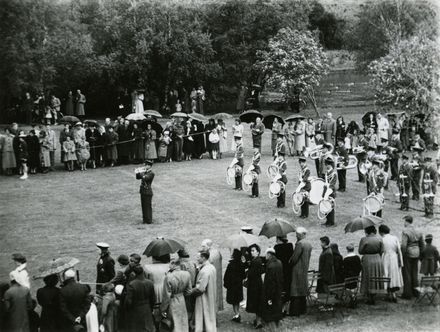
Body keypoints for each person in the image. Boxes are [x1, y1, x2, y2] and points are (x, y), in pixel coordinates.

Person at [161, 258, 192, 332]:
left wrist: (163, 309)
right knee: (182, 321)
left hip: (173, 300)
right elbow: (189, 291)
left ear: (173, 263)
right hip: (182, 300)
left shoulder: (169, 276)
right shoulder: (186, 274)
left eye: (170, 264)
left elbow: (166, 295)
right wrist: (182, 294)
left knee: (174, 322)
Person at [191, 251, 217, 332]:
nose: (197, 259)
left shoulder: (204, 271)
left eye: (198, 257)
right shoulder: (212, 267)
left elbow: (200, 288)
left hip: (203, 298)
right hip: (211, 295)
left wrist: (190, 291)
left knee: (203, 316)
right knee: (209, 315)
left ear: (203, 258)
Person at [289, 227, 312, 317]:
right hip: (304, 268)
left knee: (295, 291)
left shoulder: (299, 244)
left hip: (297, 269)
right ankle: (303, 309)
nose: (296, 236)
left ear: (300, 235)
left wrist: (290, 262)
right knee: (302, 289)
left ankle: (295, 311)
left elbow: (294, 258)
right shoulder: (308, 244)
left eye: (297, 235)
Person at [124, 264, 155, 332]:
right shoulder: (150, 283)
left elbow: (129, 301)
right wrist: (151, 308)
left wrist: (128, 309)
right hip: (147, 308)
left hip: (136, 309)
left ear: (134, 273)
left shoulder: (132, 284)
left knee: (137, 328)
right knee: (148, 327)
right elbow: (153, 298)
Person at [359, 226, 384, 305]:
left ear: (367, 231)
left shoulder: (364, 239)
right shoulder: (379, 239)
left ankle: (368, 294)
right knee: (376, 275)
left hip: (367, 259)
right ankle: (374, 293)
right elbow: (382, 250)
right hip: (377, 258)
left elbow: (360, 251)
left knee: (367, 276)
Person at [400, 215, 424, 299]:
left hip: (408, 253)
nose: (404, 223)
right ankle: (416, 292)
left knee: (406, 273)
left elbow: (403, 245)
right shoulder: (418, 230)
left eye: (404, 221)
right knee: (414, 272)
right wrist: (421, 254)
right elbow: (422, 244)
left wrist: (402, 255)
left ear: (406, 221)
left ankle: (407, 293)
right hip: (416, 253)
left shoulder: (405, 231)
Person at [144, 254, 170, 328]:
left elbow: (146, 280)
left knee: (154, 308)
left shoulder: (147, 267)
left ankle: (156, 324)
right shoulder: (167, 266)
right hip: (165, 288)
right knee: (165, 305)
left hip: (154, 288)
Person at [378, 225, 403, 302]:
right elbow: (399, 250)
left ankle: (389, 293)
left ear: (381, 232)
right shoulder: (395, 238)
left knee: (386, 273)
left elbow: (381, 250)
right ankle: (393, 294)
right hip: (394, 257)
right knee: (393, 274)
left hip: (385, 257)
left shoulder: (382, 239)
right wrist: (400, 261)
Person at [261, 248, 283, 329]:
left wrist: (269, 297)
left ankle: (272, 329)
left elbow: (270, 283)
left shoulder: (270, 266)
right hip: (278, 291)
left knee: (270, 315)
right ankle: (277, 327)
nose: (265, 256)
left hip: (271, 293)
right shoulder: (279, 262)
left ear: (269, 255)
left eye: (266, 254)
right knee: (277, 312)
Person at [201, 239, 223, 312]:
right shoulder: (217, 252)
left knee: (211, 294)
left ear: (209, 246)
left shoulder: (209, 255)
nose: (202, 248)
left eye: (203, 246)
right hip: (218, 275)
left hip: (211, 277)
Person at [223, 249, 245, 323]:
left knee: (233, 301)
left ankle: (237, 314)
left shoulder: (230, 265)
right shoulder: (241, 264)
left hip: (232, 286)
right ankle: (237, 314)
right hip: (238, 286)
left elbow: (226, 276)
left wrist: (226, 284)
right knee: (237, 300)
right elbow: (244, 276)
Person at [273, 236, 293, 314]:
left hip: (280, 271)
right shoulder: (290, 246)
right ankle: (285, 308)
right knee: (287, 289)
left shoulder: (277, 248)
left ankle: (280, 308)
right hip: (288, 271)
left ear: (278, 239)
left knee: (280, 289)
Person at [245, 244, 264, 329]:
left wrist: (247, 271)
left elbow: (252, 274)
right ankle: (258, 320)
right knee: (257, 303)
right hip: (256, 284)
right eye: (251, 251)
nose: (251, 252)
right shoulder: (257, 260)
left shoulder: (256, 261)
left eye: (253, 251)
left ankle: (259, 321)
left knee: (257, 303)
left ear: (258, 252)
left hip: (255, 286)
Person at [136, 160, 155, 224]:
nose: (145, 166)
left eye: (146, 165)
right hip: (143, 191)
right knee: (143, 206)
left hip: (148, 191)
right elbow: (138, 177)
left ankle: (149, 220)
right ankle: (145, 220)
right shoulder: (145, 172)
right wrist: (137, 172)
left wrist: (140, 172)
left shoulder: (151, 173)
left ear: (149, 166)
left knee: (148, 206)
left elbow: (145, 178)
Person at [322, 158, 337, 226]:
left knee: (330, 207)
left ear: (331, 165)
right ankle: (327, 220)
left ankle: (331, 222)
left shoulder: (334, 174)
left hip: (331, 191)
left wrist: (328, 190)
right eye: (326, 164)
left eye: (328, 164)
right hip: (326, 191)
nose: (326, 166)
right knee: (325, 205)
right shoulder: (327, 172)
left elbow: (332, 184)